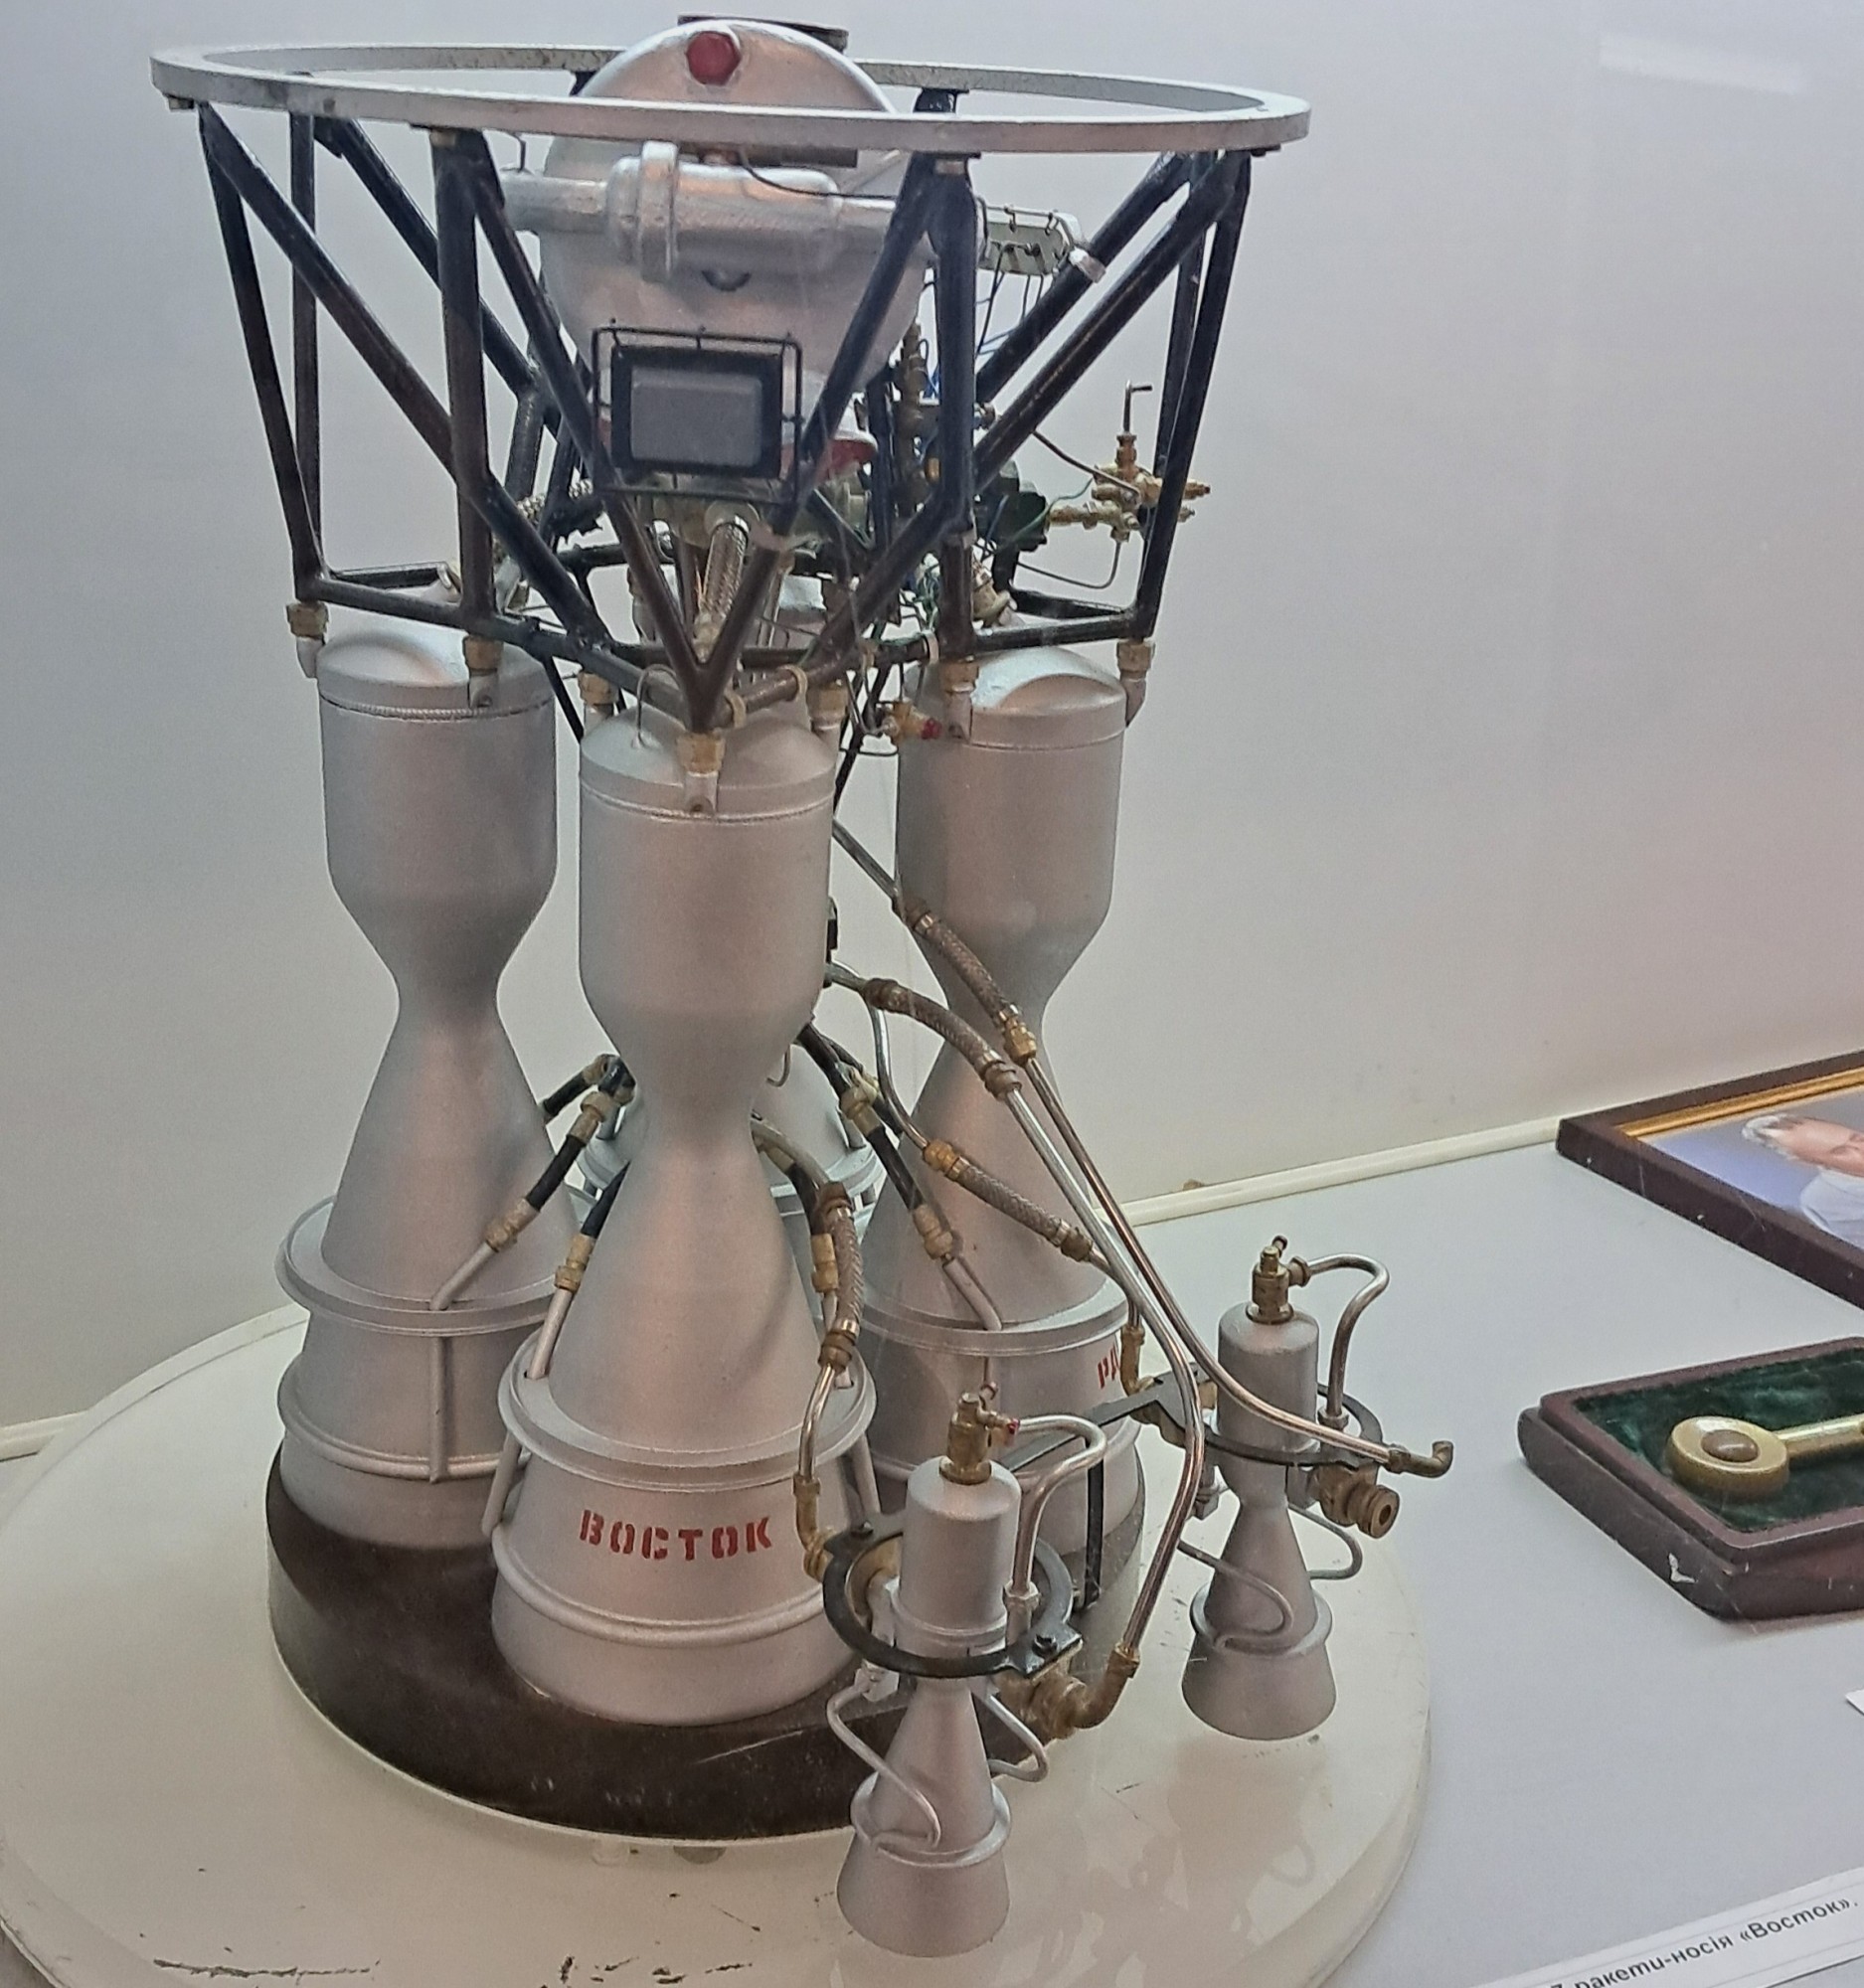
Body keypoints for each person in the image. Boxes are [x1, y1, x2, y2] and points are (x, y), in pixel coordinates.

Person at [1743, 1111, 1864, 1246]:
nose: (1862, 1148)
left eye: (1858, 1138)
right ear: (1808, 1161)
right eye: (1841, 1151)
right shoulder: (1823, 1202)